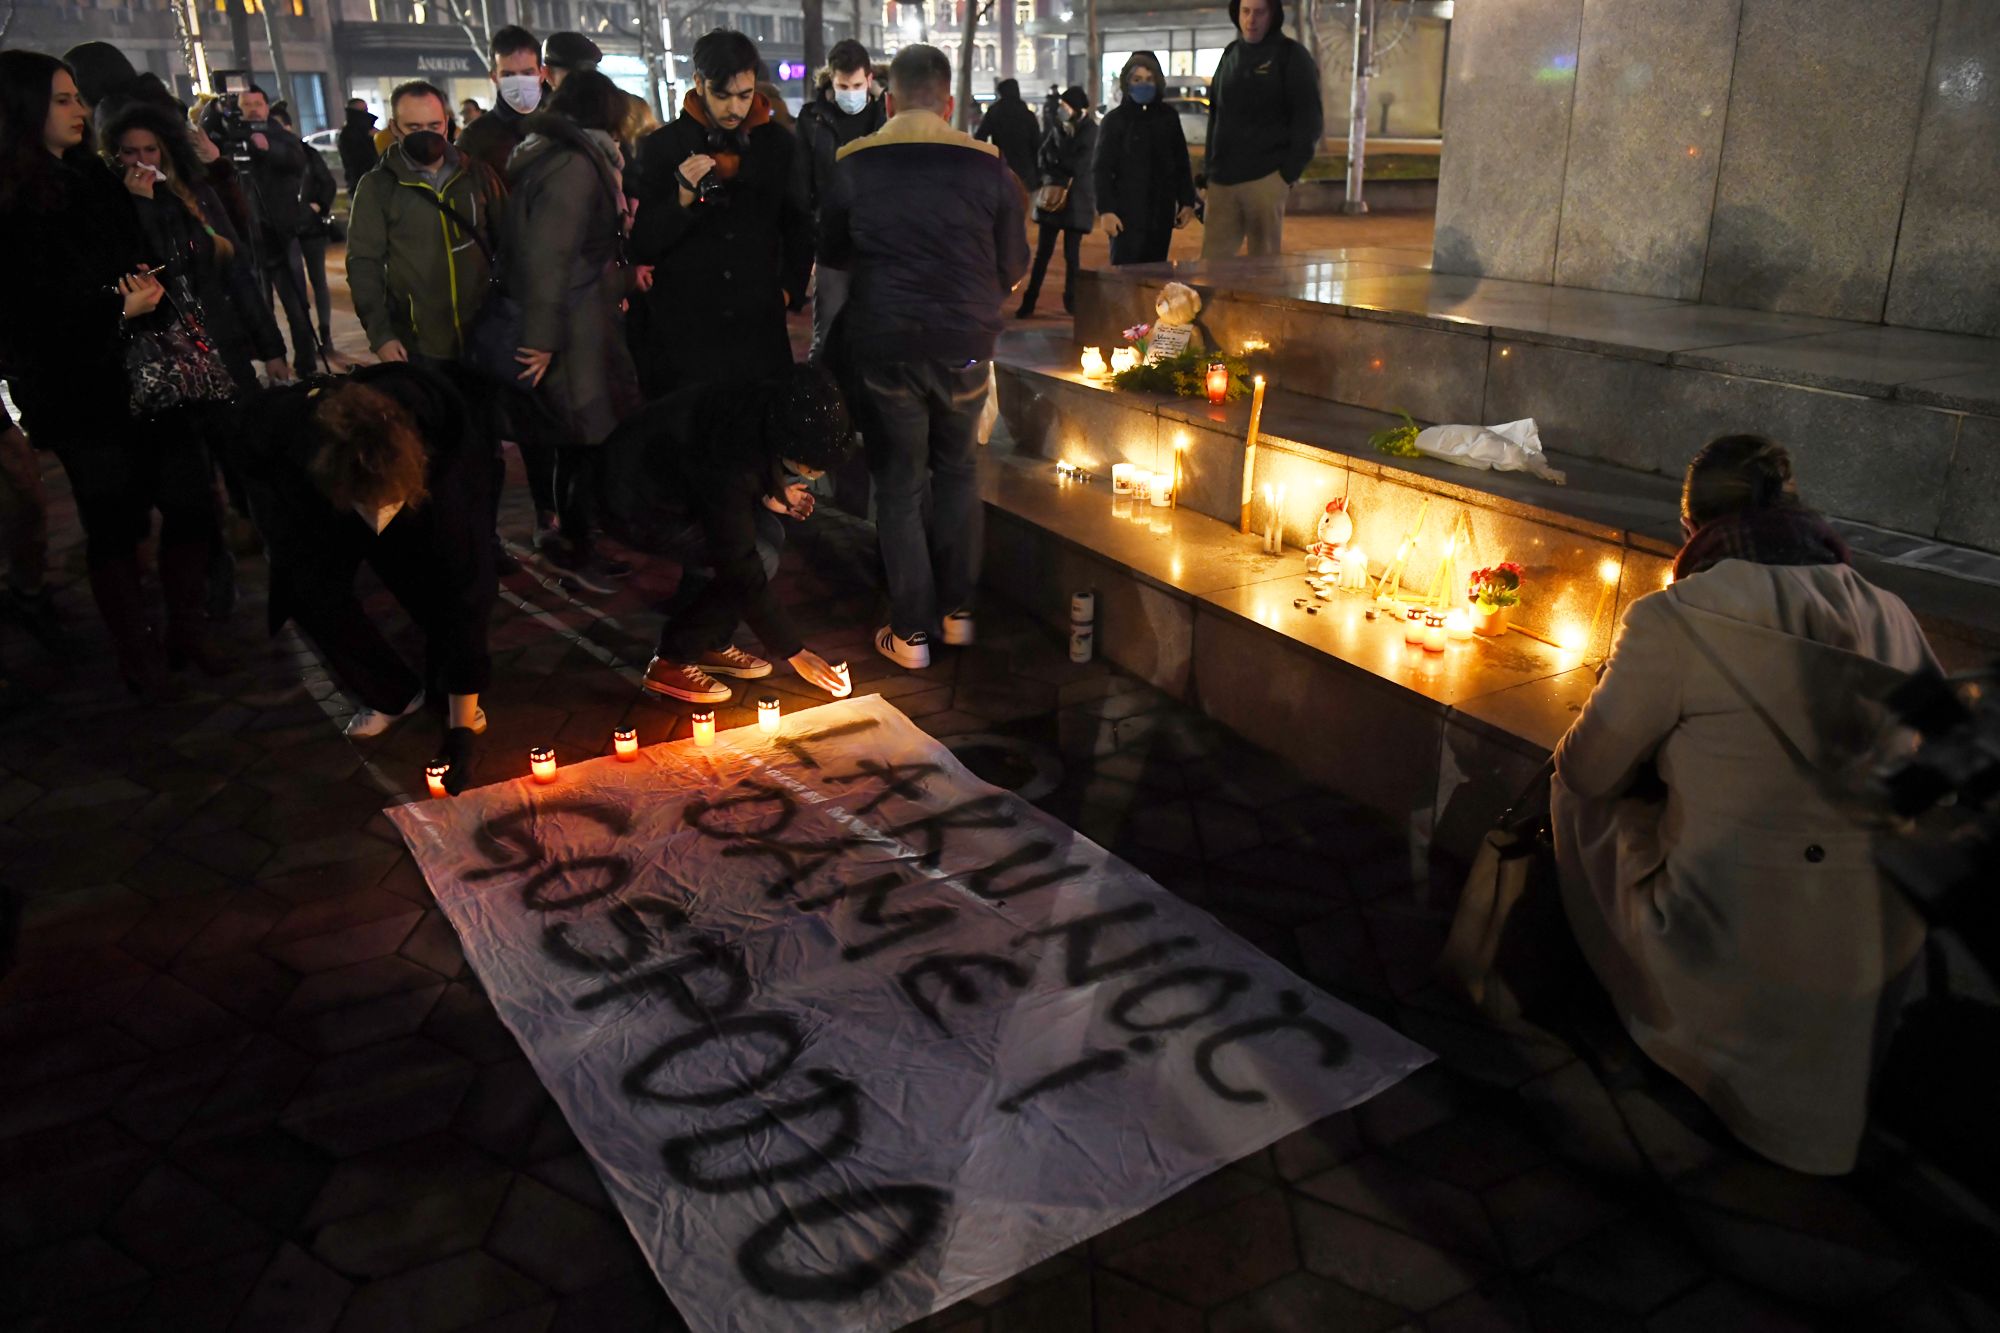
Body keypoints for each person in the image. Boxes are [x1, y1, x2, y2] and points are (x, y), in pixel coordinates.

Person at [1552, 435, 1937, 1176]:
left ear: (1693, 526)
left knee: (1569, 790)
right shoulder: (1891, 612)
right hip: (1873, 948)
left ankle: (1642, 1009)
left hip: (1727, 935)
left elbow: (1590, 769)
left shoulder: (1674, 616)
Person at [0, 50, 222, 701]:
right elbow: (26, 313)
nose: (78, 110)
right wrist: (110, 307)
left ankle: (187, 632)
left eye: (77, 97)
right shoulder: (12, 203)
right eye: (62, 99)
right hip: (81, 394)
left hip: (150, 375)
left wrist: (144, 270)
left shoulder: (98, 178)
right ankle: (138, 654)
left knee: (190, 502)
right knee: (114, 524)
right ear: (23, 108)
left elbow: (144, 252)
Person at [819, 43, 1027, 670]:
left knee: (900, 483)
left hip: (887, 345)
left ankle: (910, 632)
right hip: (965, 344)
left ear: (887, 99)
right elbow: (1013, 268)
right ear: (949, 101)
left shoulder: (853, 164)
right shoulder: (988, 166)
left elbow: (833, 266)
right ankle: (958, 613)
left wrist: (820, 346)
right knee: (959, 472)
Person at [235, 364, 495, 776]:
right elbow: (253, 460)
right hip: (311, 490)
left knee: (431, 576)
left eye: (384, 506)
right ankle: (391, 693)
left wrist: (461, 725)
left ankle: (449, 682)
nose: (376, 521)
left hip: (419, 477)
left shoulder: (441, 446)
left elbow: (467, 588)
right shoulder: (286, 433)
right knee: (306, 586)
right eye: (366, 508)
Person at [599, 365, 855, 703]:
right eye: (808, 467)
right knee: (758, 556)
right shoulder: (731, 450)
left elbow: (744, 462)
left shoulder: (766, 404)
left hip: (674, 488)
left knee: (769, 532)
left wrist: (771, 492)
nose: (812, 477)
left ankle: (710, 643)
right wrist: (793, 651)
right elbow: (736, 557)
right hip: (635, 503)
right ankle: (672, 660)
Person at [504, 69, 642, 590]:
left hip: (581, 318)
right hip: (574, 328)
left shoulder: (557, 156)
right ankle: (577, 549)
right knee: (585, 441)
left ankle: (579, 541)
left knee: (580, 441)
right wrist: (539, 341)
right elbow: (551, 258)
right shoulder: (576, 166)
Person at [629, 29, 810, 397]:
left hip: (757, 323)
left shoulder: (777, 144)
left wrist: (789, 290)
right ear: (699, 83)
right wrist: (681, 200)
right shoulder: (663, 146)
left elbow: (799, 223)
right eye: (722, 95)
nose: (734, 108)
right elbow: (643, 240)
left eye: (745, 96)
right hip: (686, 330)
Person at [103, 101, 290, 392]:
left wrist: (271, 348)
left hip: (224, 340)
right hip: (174, 355)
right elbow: (154, 265)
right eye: (130, 152)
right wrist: (141, 205)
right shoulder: (117, 208)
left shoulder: (194, 194)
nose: (142, 160)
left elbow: (237, 271)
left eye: (150, 150)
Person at [346, 80, 503, 368]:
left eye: (434, 126)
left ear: (448, 123)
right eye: (414, 128)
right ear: (394, 128)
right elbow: (363, 263)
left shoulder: (477, 175)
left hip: (486, 338)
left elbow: (511, 246)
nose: (427, 136)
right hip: (419, 346)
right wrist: (381, 335)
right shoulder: (378, 187)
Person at [1201, 0, 1322, 259]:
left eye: (1259, 12)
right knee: (1211, 268)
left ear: (1273, 15)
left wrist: (1286, 175)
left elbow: (1309, 120)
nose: (1251, 20)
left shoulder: (1292, 56)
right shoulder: (1230, 54)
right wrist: (1208, 171)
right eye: (1245, 12)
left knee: (1263, 271)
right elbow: (1216, 117)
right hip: (1222, 183)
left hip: (1266, 179)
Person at [793, 39, 885, 362]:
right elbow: (802, 186)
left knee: (879, 335)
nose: (851, 92)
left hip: (879, 244)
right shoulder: (812, 120)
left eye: (857, 84)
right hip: (832, 246)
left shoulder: (887, 115)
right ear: (831, 81)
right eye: (843, 85)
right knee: (827, 339)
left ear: (870, 80)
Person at [227, 85, 322, 376]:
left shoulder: (282, 137)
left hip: (281, 234)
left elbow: (296, 161)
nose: (253, 108)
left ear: (267, 107)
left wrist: (267, 149)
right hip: (247, 237)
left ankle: (306, 364)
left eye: (258, 102)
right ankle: (272, 360)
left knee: (296, 306)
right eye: (247, 103)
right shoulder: (232, 139)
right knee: (259, 306)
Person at [1095, 51, 1197, 266]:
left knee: (1155, 277)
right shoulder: (1115, 121)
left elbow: (1180, 161)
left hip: (1160, 214)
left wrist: (1187, 201)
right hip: (1125, 217)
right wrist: (1106, 210)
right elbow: (1101, 168)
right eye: (1137, 79)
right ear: (1127, 83)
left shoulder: (1168, 117)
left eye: (1149, 79)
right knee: (1125, 281)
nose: (1144, 84)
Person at [1015, 86, 1096, 319]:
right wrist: (1057, 165)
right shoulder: (1057, 128)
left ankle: (1072, 301)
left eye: (1065, 105)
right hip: (1052, 198)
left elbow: (1079, 165)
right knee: (1042, 253)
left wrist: (1056, 163)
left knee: (1072, 256)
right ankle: (1029, 300)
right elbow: (1043, 155)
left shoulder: (1091, 131)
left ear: (1078, 108)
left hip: (1076, 200)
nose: (1061, 109)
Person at [270, 101, 338, 362]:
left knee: (319, 281)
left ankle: (325, 332)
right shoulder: (266, 160)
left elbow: (327, 183)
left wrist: (317, 205)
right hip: (286, 232)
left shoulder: (308, 154)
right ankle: (306, 338)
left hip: (311, 229)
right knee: (295, 286)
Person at [458, 24, 544, 177]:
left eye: (527, 73)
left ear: (542, 73)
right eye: (509, 75)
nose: (519, 82)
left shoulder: (561, 127)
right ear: (494, 77)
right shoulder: (474, 138)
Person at [973, 76, 1040, 188]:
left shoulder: (994, 112)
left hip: (1001, 168)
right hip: (1025, 171)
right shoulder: (1027, 115)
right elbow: (1036, 144)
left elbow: (980, 137)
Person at [337, 97, 380, 190]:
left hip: (369, 181)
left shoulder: (368, 130)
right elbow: (360, 159)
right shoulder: (350, 134)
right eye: (363, 110)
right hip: (362, 182)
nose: (366, 114)